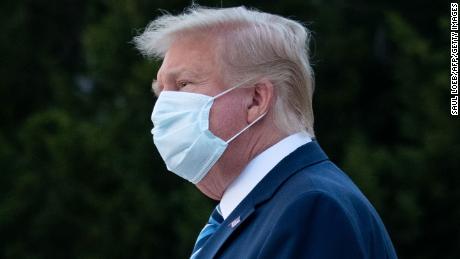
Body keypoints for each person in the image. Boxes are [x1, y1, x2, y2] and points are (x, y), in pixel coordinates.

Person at [134, 5, 397, 259]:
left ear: (256, 100)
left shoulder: (310, 209)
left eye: (182, 84)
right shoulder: (261, 210)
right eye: (160, 91)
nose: (162, 107)